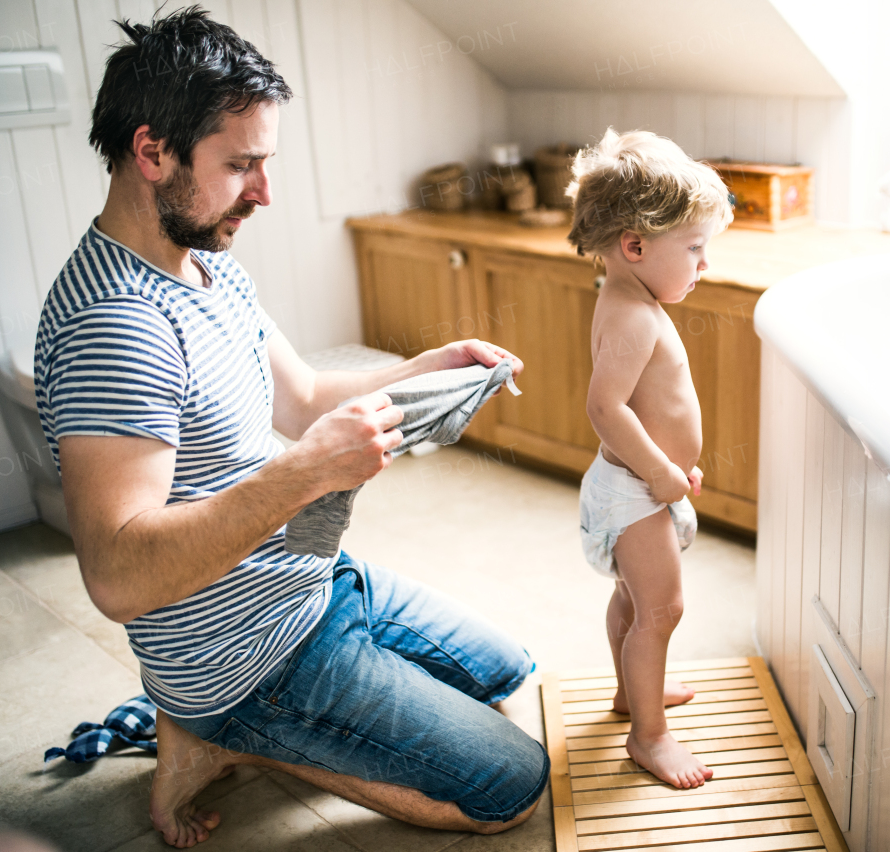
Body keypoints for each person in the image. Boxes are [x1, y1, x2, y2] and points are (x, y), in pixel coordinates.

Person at [33, 8, 547, 848]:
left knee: (505, 671)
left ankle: (223, 729)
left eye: (264, 163)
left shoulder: (201, 263)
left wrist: (430, 365)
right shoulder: (115, 327)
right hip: (239, 656)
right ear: (151, 150)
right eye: (242, 166)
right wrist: (305, 474)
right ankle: (215, 732)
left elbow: (302, 396)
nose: (265, 193)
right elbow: (118, 576)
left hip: (306, 584)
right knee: (509, 787)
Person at [566, 129, 734, 789]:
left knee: (634, 603)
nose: (705, 264)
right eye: (694, 249)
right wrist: (663, 472)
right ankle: (649, 736)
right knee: (662, 610)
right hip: (637, 490)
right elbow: (606, 408)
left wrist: (667, 466)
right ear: (635, 246)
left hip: (634, 483)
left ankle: (630, 694)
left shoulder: (631, 296)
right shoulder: (636, 316)